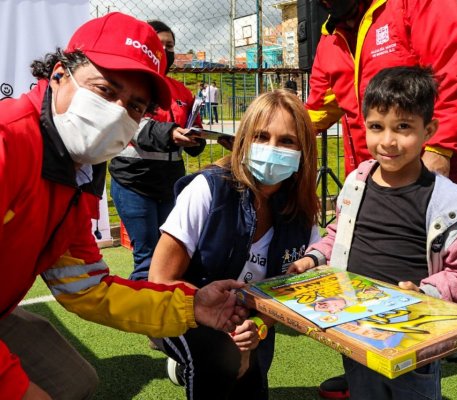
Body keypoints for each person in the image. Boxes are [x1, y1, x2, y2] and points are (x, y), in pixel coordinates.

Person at [0, 12, 247, 400]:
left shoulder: (77, 173)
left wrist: (190, 305)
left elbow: (87, 289)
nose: (117, 111)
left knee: (74, 383)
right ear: (61, 73)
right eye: (105, 89)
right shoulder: (7, 143)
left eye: (135, 106)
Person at [289, 65, 457, 400]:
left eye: (404, 127)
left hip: (412, 335)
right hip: (356, 330)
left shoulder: (447, 201)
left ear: (430, 130)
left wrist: (428, 291)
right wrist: (314, 257)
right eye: (376, 127)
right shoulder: (357, 182)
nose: (388, 141)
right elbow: (339, 231)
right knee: (364, 389)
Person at [148, 89, 321, 400]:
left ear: (303, 150)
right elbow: (159, 281)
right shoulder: (207, 190)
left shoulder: (303, 211)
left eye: (286, 141)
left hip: (254, 317)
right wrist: (221, 330)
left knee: (251, 375)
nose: (271, 149)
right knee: (222, 362)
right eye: (261, 136)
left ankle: (197, 363)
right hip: (187, 309)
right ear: (243, 140)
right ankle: (191, 358)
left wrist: (260, 328)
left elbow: (290, 290)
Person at [306, 0, 457, 185]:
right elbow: (318, 109)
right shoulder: (330, 38)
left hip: (427, 175)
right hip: (368, 179)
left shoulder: (414, 4)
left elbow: (452, 70)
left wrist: (439, 150)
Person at [109, 20, 206, 281]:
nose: (165, 51)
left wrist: (200, 138)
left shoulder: (181, 91)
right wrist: (171, 133)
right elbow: (133, 127)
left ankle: (170, 313)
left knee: (172, 254)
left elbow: (192, 131)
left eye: (170, 46)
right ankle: (142, 318)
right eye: (158, 45)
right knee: (147, 259)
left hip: (171, 185)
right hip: (133, 182)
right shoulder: (131, 86)